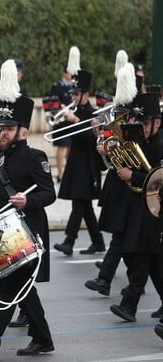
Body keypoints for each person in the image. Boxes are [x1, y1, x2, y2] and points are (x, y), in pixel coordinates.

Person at [0, 60, 55, 360]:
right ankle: (42, 339)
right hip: (0, 234)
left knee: (10, 285)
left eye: (7, 129)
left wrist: (27, 201)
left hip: (28, 232)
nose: (0, 133)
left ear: (21, 132)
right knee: (23, 290)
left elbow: (49, 193)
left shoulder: (35, 157)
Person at [84, 62, 139, 297]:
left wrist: (111, 152)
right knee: (124, 241)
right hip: (118, 185)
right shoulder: (116, 129)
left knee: (121, 238)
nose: (115, 118)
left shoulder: (136, 130)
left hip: (131, 189)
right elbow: (109, 166)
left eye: (119, 115)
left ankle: (106, 279)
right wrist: (103, 149)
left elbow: (135, 160)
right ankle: (132, 282)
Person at [109, 92, 163, 323]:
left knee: (144, 255)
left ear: (157, 122)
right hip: (143, 207)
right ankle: (130, 304)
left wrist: (134, 176)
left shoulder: (161, 143)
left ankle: (128, 304)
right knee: (152, 260)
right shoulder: (143, 140)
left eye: (144, 123)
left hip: (157, 209)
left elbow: (159, 179)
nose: (139, 128)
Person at [53, 69, 105, 255]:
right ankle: (98, 242)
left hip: (88, 163)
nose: (73, 97)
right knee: (84, 206)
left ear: (86, 95)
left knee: (79, 203)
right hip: (75, 162)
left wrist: (75, 120)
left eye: (76, 94)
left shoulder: (94, 114)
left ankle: (69, 241)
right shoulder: (75, 111)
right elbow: (61, 133)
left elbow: (92, 139)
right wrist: (58, 118)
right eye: (72, 94)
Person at [49, 64, 74, 182]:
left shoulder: (74, 86)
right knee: (62, 147)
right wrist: (61, 107)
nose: (71, 75)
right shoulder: (57, 86)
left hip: (71, 121)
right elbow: (51, 103)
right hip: (61, 122)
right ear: (64, 73)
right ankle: (60, 174)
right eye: (69, 72)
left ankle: (69, 174)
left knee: (71, 148)